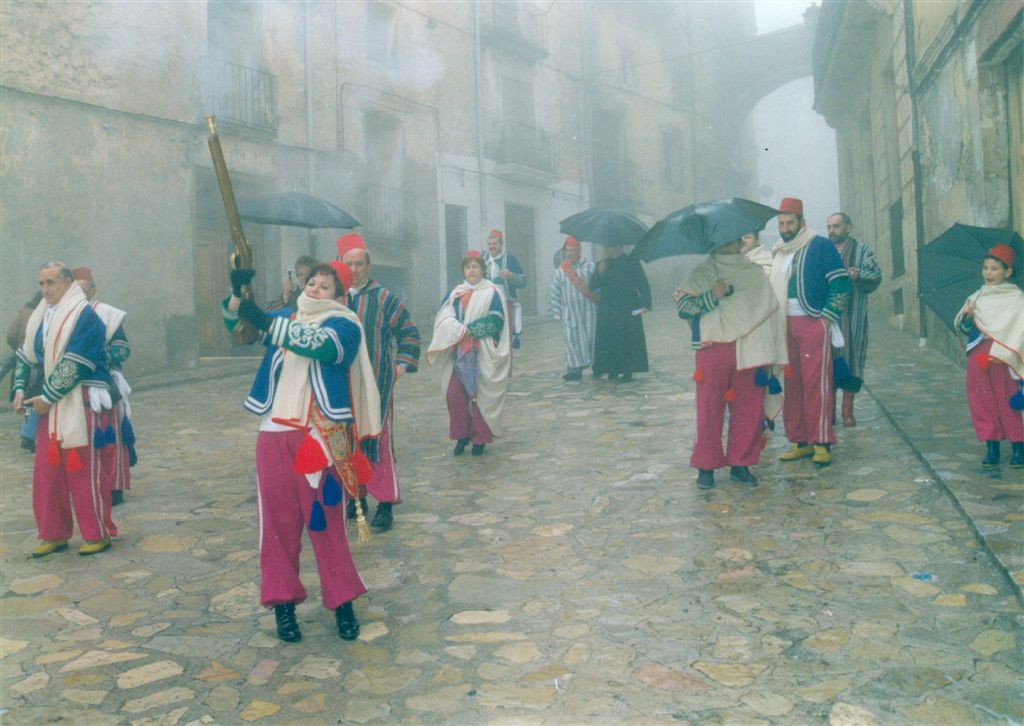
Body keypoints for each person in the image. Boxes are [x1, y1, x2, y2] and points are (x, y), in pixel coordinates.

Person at [224, 260, 381, 643]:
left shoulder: (344, 325)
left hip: (319, 437)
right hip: (274, 433)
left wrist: (264, 320)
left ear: (339, 296)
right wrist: (236, 293)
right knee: (276, 528)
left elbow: (319, 346)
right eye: (310, 283)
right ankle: (283, 607)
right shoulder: (286, 316)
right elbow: (239, 329)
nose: (314, 290)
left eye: (324, 286)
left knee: (326, 525)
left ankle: (343, 603)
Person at [12, 262, 115, 557]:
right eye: (41, 283)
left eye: (51, 283)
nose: (45, 289)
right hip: (50, 406)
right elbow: (26, 355)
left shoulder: (86, 317)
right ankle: (53, 533)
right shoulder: (40, 318)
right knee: (47, 472)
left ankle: (97, 532)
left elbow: (77, 361)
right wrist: (20, 388)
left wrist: (46, 396)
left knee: (83, 471)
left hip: (80, 403)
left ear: (68, 282)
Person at [675, 238, 788, 488]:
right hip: (712, 348)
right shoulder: (702, 273)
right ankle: (706, 466)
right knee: (708, 409)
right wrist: (711, 295)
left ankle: (741, 463)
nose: (732, 243)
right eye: (725, 239)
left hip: (750, 348)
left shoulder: (754, 272)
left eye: (735, 239)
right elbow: (684, 308)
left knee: (748, 408)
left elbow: (767, 308)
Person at [337, 233, 421, 532]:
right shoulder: (335, 298)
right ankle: (355, 498)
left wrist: (401, 365)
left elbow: (409, 331)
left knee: (378, 443)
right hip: (342, 386)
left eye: (360, 263)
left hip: (377, 386)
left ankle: (385, 503)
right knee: (346, 443)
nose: (355, 269)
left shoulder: (384, 297)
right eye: (349, 263)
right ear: (341, 265)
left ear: (369, 265)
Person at [768, 197, 850, 467]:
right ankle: (799, 440)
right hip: (784, 324)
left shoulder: (820, 245)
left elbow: (840, 283)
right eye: (781, 223)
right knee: (792, 383)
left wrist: (826, 318)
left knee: (817, 383)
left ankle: (822, 441)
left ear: (802, 222)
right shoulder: (779, 251)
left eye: (790, 222)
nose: (785, 227)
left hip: (812, 321)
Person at [427, 252, 511, 456]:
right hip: (459, 352)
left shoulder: (492, 292)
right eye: (468, 267)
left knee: (479, 395)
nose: (471, 271)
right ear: (463, 271)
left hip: (482, 351)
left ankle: (479, 438)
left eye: (475, 267)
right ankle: (461, 436)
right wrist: (456, 331)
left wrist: (469, 330)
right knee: (454, 393)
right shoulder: (455, 293)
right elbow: (443, 317)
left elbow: (496, 320)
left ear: (482, 269)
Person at [954, 244, 1024, 468]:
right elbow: (965, 328)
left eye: (994, 269)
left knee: (1008, 399)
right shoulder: (976, 297)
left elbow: (1019, 330)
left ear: (1008, 272)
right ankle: (991, 445)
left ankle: (1018, 446)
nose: (988, 273)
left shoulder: (1017, 298)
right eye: (985, 268)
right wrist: (967, 317)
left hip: (1004, 355)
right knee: (981, 399)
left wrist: (1001, 353)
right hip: (979, 354)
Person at [75, 268, 136, 508]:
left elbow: (123, 349)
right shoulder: (67, 314)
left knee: (109, 439)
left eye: (83, 288)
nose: (79, 293)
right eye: (75, 289)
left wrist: (97, 355)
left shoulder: (107, 314)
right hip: (77, 386)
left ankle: (114, 487)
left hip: (105, 385)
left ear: (93, 289)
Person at [825, 213, 881, 426]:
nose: (832, 230)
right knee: (827, 364)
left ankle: (847, 411)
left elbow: (875, 274)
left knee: (853, 361)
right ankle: (828, 413)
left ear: (848, 227)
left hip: (854, 317)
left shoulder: (862, 251)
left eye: (836, 226)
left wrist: (858, 274)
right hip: (829, 318)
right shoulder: (823, 251)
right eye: (829, 226)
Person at [590, 245, 651, 382]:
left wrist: (646, 304)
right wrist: (600, 272)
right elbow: (592, 285)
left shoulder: (631, 261)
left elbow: (642, 283)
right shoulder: (602, 264)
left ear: (616, 247)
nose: (605, 249)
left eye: (608, 246)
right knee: (610, 339)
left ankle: (627, 370)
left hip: (628, 307)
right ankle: (612, 369)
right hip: (608, 309)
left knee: (627, 338)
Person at [548, 236, 598, 381]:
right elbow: (554, 292)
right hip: (570, 314)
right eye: (568, 251)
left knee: (591, 338)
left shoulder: (590, 267)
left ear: (579, 251)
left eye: (573, 250)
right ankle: (574, 369)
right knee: (572, 340)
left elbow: (597, 287)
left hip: (589, 311)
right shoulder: (561, 271)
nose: (570, 253)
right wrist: (557, 312)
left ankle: (596, 365)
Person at [6, 290, 43, 452]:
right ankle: (32, 434)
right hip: (35, 364)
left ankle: (28, 434)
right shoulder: (44, 316)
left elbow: (10, 336)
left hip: (24, 360)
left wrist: (17, 348)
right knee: (34, 398)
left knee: (28, 399)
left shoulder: (24, 312)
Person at [481, 229, 527, 347]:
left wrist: (511, 276)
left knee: (505, 340)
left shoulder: (511, 260)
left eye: (495, 244)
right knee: (488, 340)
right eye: (490, 244)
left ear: (501, 244)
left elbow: (523, 282)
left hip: (506, 304)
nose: (492, 247)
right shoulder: (482, 260)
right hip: (486, 305)